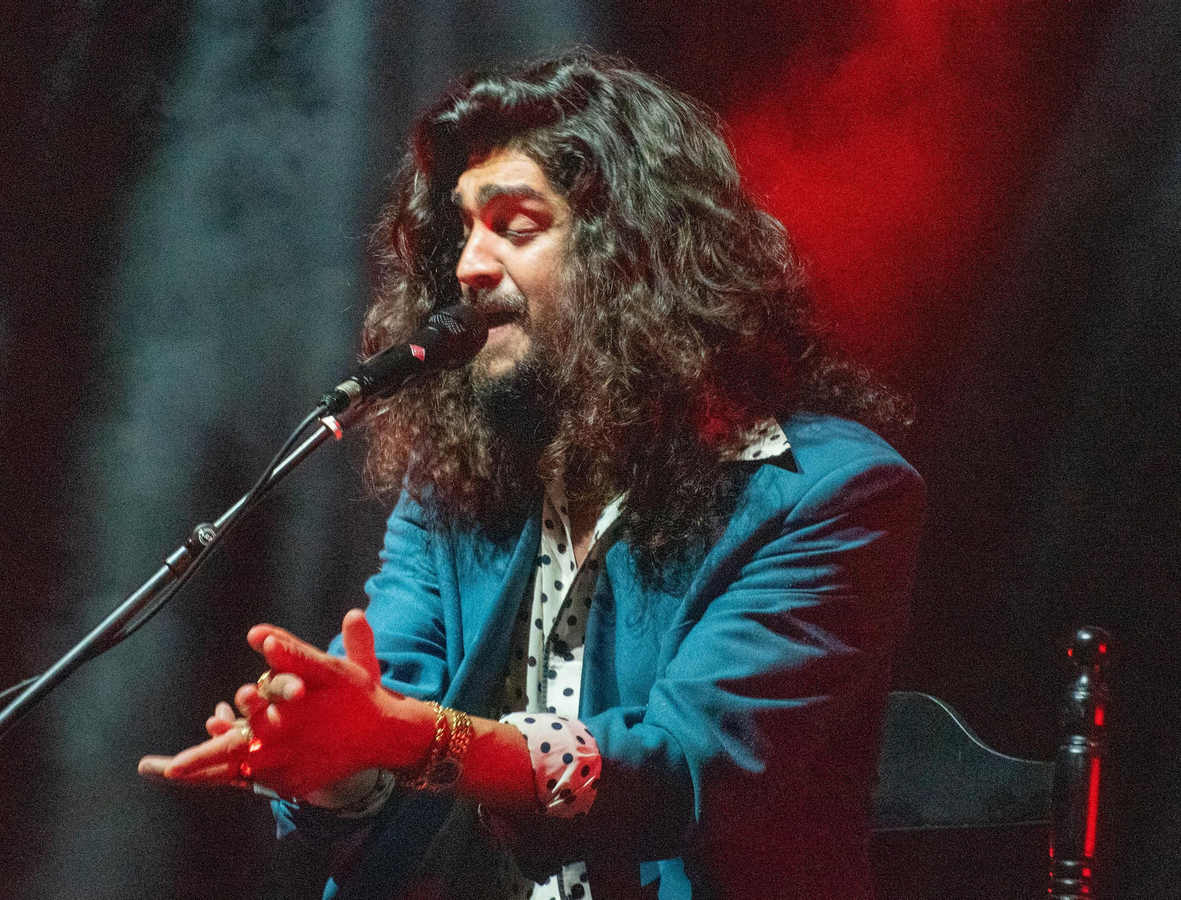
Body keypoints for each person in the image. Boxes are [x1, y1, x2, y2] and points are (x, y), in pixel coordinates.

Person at [139, 52, 924, 900]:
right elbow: (386, 713)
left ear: (639, 257)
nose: (469, 266)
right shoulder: (457, 486)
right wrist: (326, 755)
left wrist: (408, 739)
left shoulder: (829, 494)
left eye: (515, 228)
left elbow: (683, 772)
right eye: (464, 232)